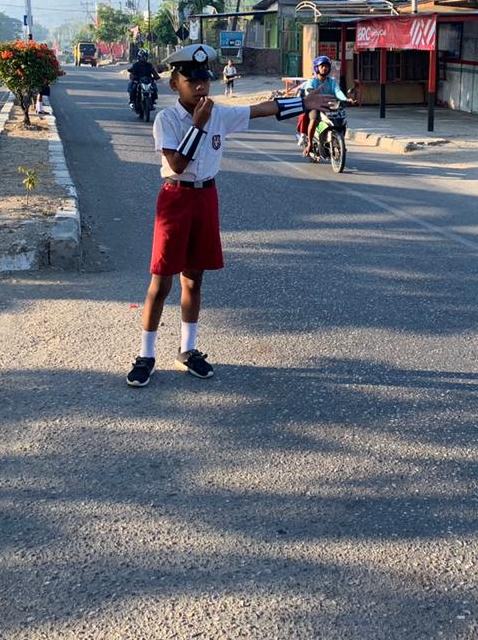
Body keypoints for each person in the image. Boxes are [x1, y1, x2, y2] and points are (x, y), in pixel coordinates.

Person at [126, 43, 337, 388]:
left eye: (204, 80)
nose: (200, 87)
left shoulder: (220, 113)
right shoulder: (167, 119)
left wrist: (304, 102)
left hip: (206, 197)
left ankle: (187, 348)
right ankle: (146, 355)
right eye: (190, 81)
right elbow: (177, 164)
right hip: (176, 199)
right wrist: (198, 125)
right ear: (174, 84)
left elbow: (261, 109)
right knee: (161, 282)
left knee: (194, 279)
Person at [299, 55, 348, 156]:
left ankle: (341, 142)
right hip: (315, 106)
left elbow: (337, 91)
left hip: (329, 106)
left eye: (326, 66)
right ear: (317, 68)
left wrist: (345, 99)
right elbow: (309, 91)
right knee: (313, 119)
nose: (324, 68)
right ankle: (309, 144)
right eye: (321, 66)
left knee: (342, 120)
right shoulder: (312, 81)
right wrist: (312, 94)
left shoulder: (332, 82)